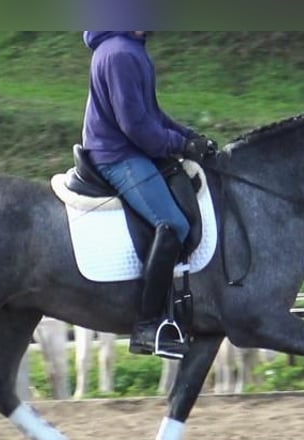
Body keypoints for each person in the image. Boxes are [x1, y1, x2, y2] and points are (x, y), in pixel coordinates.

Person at [81, 31, 217, 359]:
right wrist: (180, 146)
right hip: (117, 154)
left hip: (131, 149)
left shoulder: (131, 48)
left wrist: (189, 136)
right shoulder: (120, 53)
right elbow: (136, 127)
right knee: (172, 224)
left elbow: (152, 115)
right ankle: (147, 326)